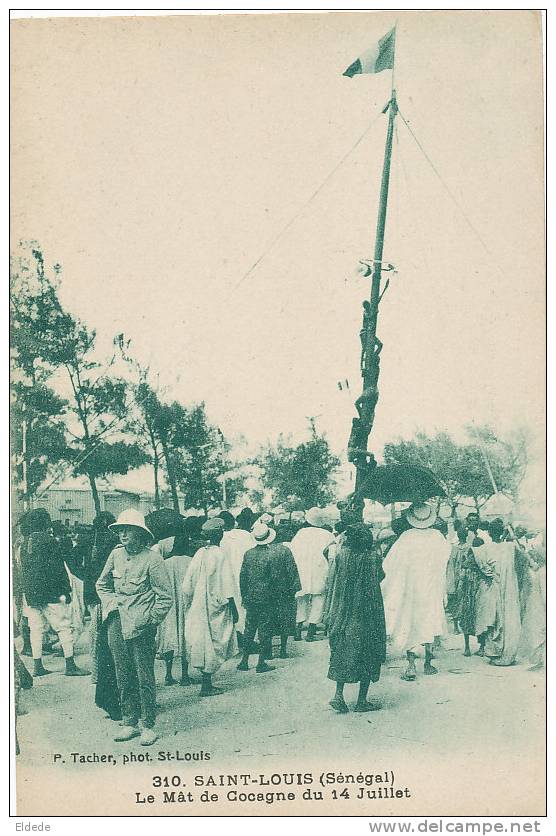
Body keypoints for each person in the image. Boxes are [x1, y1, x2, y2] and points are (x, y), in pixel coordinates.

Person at [96, 509, 173, 746]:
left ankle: (148, 724)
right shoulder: (115, 555)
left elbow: (165, 597)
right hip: (117, 624)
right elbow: (102, 584)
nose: (123, 534)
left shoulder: (153, 559)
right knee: (123, 674)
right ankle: (129, 721)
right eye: (120, 530)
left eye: (128, 530)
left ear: (140, 534)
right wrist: (112, 607)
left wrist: (149, 620)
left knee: (144, 676)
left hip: (142, 626)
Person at [381, 503, 451, 680]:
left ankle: (411, 666)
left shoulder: (406, 537)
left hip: (411, 589)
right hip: (431, 587)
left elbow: (389, 564)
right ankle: (428, 663)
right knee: (430, 620)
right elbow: (445, 559)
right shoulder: (437, 537)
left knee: (410, 623)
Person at [323, 524, 386, 713]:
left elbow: (331, 579)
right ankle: (361, 701)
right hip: (369, 612)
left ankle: (338, 695)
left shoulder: (341, 556)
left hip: (343, 611)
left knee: (342, 651)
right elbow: (381, 576)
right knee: (369, 652)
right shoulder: (373, 558)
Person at [19, 508, 89, 678]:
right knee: (64, 627)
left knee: (36, 630)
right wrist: (66, 590)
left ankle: (37, 666)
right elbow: (58, 569)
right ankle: (70, 665)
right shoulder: (49, 541)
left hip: (32, 595)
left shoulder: (25, 543)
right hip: (51, 594)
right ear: (45, 522)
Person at [182, 518, 239, 696]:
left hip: (199, 604)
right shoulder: (220, 554)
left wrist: (190, 601)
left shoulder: (199, 553)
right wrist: (234, 608)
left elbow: (187, 584)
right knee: (215, 641)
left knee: (202, 640)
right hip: (216, 605)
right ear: (219, 534)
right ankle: (206, 685)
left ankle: (206, 682)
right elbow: (227, 585)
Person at [86, 512, 121, 721]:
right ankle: (119, 701)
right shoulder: (113, 546)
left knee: (104, 652)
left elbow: (92, 577)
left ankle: (107, 700)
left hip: (99, 602)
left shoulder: (94, 544)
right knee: (116, 654)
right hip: (112, 604)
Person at [477, 519, 521, 667]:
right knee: (508, 618)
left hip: (493, 588)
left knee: (494, 619)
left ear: (489, 533)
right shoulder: (510, 547)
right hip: (509, 589)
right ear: (502, 532)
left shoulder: (484, 549)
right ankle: (508, 653)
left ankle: (495, 652)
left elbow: (480, 569)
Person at [155, 521, 194, 687]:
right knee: (185, 636)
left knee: (169, 636)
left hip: (169, 605)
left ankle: (168, 675)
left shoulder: (165, 563)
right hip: (186, 603)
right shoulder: (191, 561)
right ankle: (185, 675)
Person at [290, 507, 335, 642]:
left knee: (301, 599)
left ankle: (298, 631)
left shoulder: (300, 533)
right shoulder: (328, 535)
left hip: (302, 569)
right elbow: (332, 555)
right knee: (318, 599)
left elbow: (292, 551)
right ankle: (311, 631)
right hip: (319, 569)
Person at [219, 510, 255, 647]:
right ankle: (246, 638)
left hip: (226, 578)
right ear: (233, 522)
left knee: (229, 608)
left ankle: (233, 640)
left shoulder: (218, 538)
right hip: (244, 575)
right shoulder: (245, 535)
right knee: (244, 607)